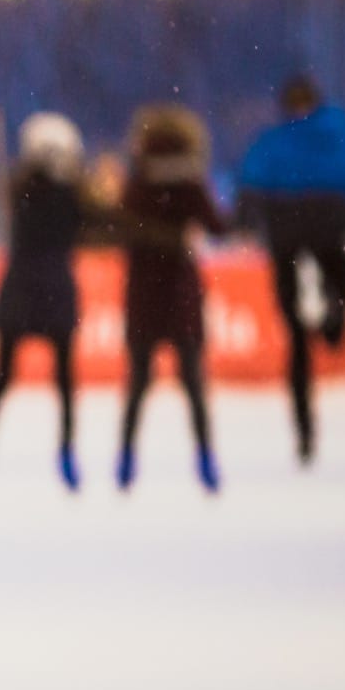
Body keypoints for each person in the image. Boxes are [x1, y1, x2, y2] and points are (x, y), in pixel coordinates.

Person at [233, 77, 345, 464]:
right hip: (331, 224)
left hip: (287, 228)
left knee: (295, 337)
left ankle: (304, 430)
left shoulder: (273, 140)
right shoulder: (336, 133)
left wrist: (243, 221)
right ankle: (333, 318)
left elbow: (250, 180)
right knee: (335, 314)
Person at [0, 113, 88, 493]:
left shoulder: (30, 191)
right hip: (42, 293)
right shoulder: (41, 192)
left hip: (27, 292)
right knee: (45, 381)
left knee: (20, 380)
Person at [116, 106, 225, 493]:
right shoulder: (191, 184)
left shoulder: (137, 183)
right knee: (193, 382)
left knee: (138, 382)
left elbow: (120, 228)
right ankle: (206, 457)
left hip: (143, 291)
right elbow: (218, 226)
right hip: (181, 290)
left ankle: (126, 458)